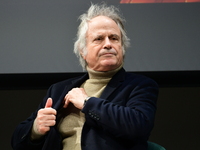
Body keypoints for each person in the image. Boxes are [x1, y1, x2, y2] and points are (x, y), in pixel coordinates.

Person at [11, 3, 159, 150]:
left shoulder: (140, 85)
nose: (108, 44)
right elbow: (17, 142)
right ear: (83, 50)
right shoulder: (58, 90)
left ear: (122, 46)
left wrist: (87, 103)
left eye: (114, 38)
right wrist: (35, 130)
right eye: (99, 39)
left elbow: (138, 126)